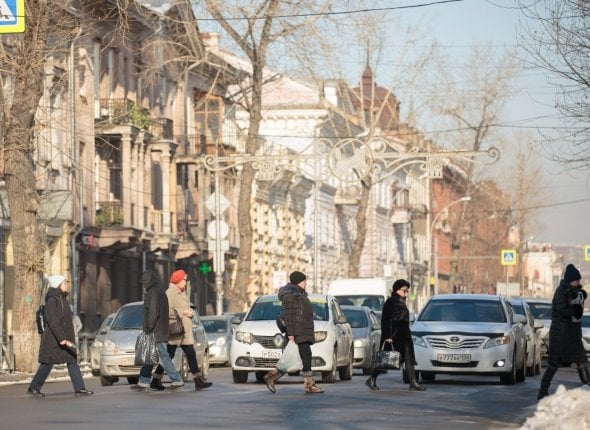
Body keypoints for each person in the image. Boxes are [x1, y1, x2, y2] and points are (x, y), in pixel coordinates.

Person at [27, 275, 93, 397]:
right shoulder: (52, 300)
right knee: (47, 363)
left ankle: (80, 388)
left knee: (72, 360)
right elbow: (53, 321)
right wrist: (62, 338)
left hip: (64, 337)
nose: (66, 284)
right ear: (58, 284)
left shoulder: (62, 298)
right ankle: (34, 387)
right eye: (64, 282)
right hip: (53, 339)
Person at [263, 271, 324, 394]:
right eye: (303, 281)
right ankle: (309, 385)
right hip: (297, 332)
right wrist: (291, 334)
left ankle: (272, 376)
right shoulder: (290, 295)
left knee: (295, 359)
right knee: (303, 358)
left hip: (302, 331)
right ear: (298, 282)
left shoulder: (299, 294)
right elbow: (289, 316)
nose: (306, 283)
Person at [152, 270, 212, 391]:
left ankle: (197, 380)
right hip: (176, 330)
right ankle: (155, 380)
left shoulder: (181, 292)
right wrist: (183, 312)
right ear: (178, 280)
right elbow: (166, 310)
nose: (186, 281)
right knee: (169, 355)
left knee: (190, 354)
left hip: (184, 331)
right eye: (184, 279)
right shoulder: (170, 293)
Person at [537, 264, 588, 400]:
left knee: (582, 361)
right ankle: (542, 392)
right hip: (560, 335)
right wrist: (574, 311)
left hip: (573, 336)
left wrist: (581, 296)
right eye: (577, 280)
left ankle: (588, 387)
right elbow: (561, 309)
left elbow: (579, 300)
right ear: (571, 280)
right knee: (553, 364)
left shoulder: (573, 291)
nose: (579, 283)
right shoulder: (561, 291)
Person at [366, 279, 425, 391]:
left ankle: (413, 382)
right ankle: (372, 379)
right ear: (397, 290)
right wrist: (388, 336)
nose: (406, 293)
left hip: (404, 336)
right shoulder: (391, 302)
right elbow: (385, 320)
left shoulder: (401, 302)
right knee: (384, 360)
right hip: (394, 337)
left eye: (407, 291)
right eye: (404, 291)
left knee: (408, 358)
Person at [132, 270, 184, 392]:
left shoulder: (153, 293)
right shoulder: (158, 291)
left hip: (155, 331)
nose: (144, 284)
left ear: (150, 281)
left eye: (145, 282)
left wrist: (148, 328)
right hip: (158, 330)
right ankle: (143, 381)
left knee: (163, 357)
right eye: (142, 282)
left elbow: (153, 313)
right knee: (149, 355)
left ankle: (177, 380)